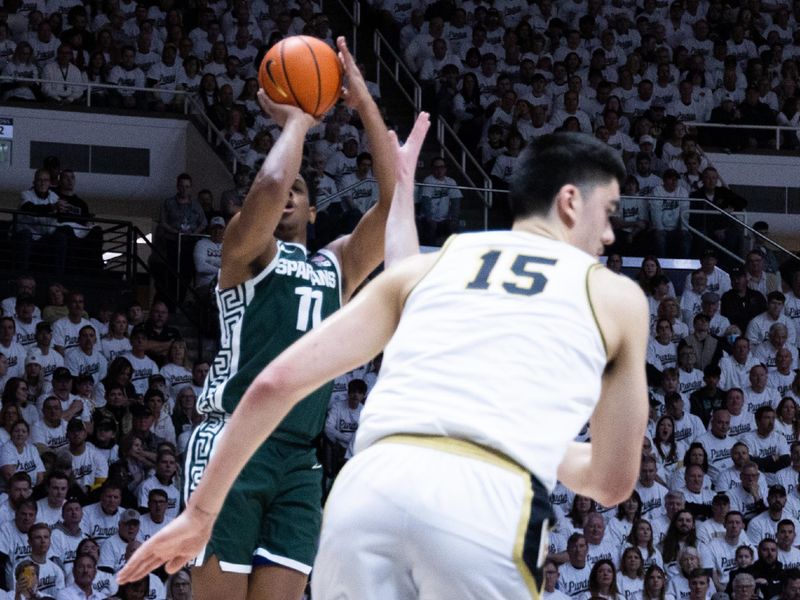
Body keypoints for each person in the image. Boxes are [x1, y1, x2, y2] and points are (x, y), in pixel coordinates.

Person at [121, 128, 650, 600]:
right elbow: (611, 481)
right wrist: (302, 123)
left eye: (302, 194)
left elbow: (277, 378)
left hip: (346, 478)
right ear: (570, 201)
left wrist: (373, 120)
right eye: (609, 213)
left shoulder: (394, 266)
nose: (610, 234)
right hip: (466, 494)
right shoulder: (614, 295)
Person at [122, 37, 413, 600]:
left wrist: (363, 103)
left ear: (313, 210)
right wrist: (298, 122)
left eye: (300, 191)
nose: (286, 195)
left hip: (298, 461)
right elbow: (272, 183)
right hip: (231, 439)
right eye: (283, 189)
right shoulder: (244, 250)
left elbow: (395, 199)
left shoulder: (339, 267)